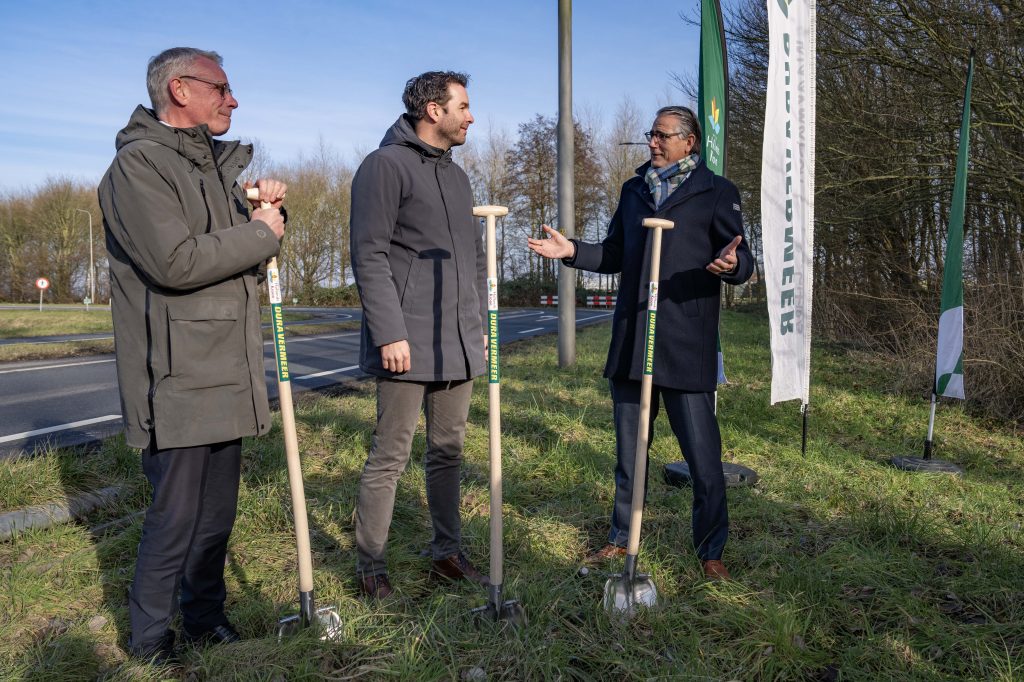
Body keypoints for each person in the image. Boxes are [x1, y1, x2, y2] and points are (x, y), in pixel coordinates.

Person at [98, 47, 287, 663]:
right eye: (222, 88)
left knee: (215, 517)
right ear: (180, 89)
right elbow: (175, 262)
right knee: (174, 518)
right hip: (176, 374)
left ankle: (206, 618)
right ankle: (150, 639)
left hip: (228, 368)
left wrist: (266, 212)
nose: (233, 100)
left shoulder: (215, 171)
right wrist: (261, 233)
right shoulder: (138, 168)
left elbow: (245, 255)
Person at [527, 106, 752, 580]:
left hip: (685, 340)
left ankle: (711, 551)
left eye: (662, 135)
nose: (653, 142)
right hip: (634, 339)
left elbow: (740, 257)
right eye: (651, 134)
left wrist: (732, 267)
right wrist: (571, 250)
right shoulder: (634, 190)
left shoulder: (716, 192)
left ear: (689, 142)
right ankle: (619, 539)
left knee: (704, 460)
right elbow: (614, 253)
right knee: (630, 455)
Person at [349, 71, 488, 599]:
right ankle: (370, 568)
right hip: (405, 341)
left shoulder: (456, 176)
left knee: (448, 452)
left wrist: (475, 332)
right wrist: (389, 332)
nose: (471, 115)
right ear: (434, 110)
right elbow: (370, 253)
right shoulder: (384, 167)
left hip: (458, 340)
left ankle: (447, 555)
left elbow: (474, 259)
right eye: (464, 106)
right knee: (391, 455)